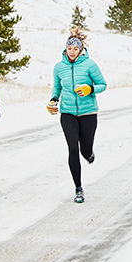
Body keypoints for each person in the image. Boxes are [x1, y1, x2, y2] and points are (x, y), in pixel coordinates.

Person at [48, 27, 107, 203]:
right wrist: (53, 100)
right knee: (72, 147)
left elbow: (102, 84)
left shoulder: (90, 65)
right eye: (69, 48)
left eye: (75, 49)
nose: (72, 52)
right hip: (67, 113)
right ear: (65, 49)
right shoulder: (59, 67)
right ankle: (78, 188)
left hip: (88, 112)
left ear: (81, 50)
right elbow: (57, 87)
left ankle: (89, 153)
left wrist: (90, 89)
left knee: (85, 149)